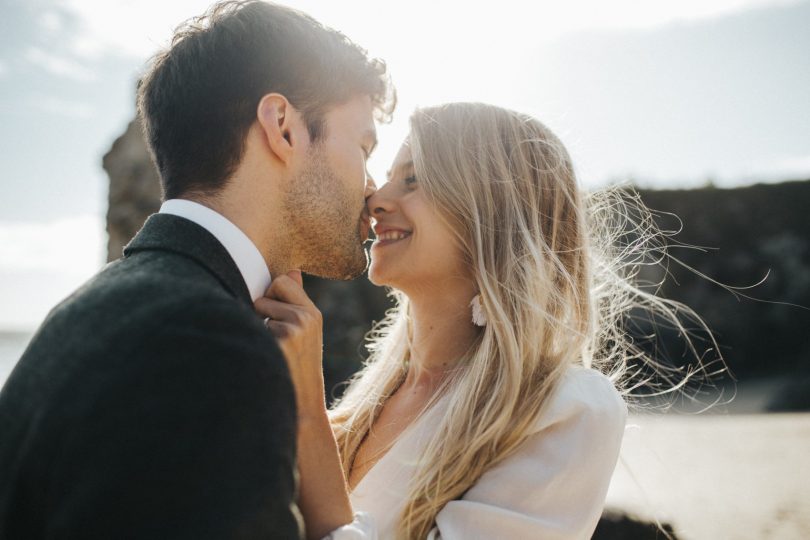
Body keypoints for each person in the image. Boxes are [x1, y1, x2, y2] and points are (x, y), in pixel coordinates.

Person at [0, 1, 393, 538]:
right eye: (364, 148)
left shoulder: (90, 308)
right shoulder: (207, 346)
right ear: (283, 127)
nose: (372, 187)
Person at [257, 102, 715, 539]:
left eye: (413, 180)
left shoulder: (564, 407)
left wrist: (306, 412)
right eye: (389, 176)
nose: (376, 198)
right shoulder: (364, 405)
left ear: (491, 214)